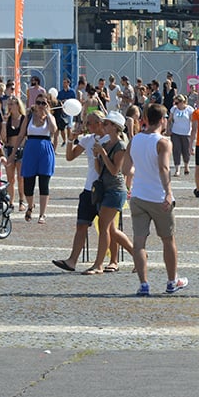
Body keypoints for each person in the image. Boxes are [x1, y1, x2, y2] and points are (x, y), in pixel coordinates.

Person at [122, 103, 189, 297]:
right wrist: (168, 192)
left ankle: (144, 284)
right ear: (162, 120)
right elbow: (163, 169)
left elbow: (126, 169)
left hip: (138, 196)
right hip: (158, 197)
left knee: (139, 242)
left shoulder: (134, 141)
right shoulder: (163, 142)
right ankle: (171, 281)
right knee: (168, 240)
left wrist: (140, 172)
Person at [52, 111, 106, 273]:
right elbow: (70, 157)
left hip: (105, 189)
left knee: (108, 229)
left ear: (99, 123)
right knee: (81, 225)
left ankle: (131, 254)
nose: (86, 126)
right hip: (89, 188)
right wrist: (70, 139)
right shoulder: (88, 140)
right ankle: (72, 261)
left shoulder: (109, 140)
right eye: (85, 123)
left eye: (89, 123)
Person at [82, 111, 135, 275]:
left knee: (104, 226)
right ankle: (139, 255)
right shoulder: (106, 144)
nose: (103, 126)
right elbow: (100, 170)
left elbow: (114, 170)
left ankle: (98, 265)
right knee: (111, 230)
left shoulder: (120, 146)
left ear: (114, 127)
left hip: (115, 190)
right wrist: (97, 156)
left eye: (106, 124)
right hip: (104, 188)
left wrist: (103, 154)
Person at [14, 93, 58, 224]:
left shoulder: (50, 118)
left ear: (48, 105)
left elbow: (54, 130)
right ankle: (30, 205)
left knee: (44, 183)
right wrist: (13, 153)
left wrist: (48, 114)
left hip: (45, 150)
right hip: (30, 149)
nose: (40, 106)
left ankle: (42, 214)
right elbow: (21, 134)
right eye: (38, 102)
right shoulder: (29, 117)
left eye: (43, 103)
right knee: (28, 183)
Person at [1, 96, 26, 209]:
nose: (10, 106)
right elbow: (4, 138)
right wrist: (4, 123)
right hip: (9, 149)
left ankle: (21, 200)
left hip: (22, 149)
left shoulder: (23, 118)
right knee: (10, 178)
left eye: (12, 104)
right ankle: (11, 201)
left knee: (21, 177)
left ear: (18, 105)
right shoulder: (7, 119)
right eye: (9, 104)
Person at [168, 94, 195, 177]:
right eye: (175, 102)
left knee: (186, 151)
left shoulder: (190, 109)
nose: (176, 104)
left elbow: (192, 121)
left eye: (178, 102)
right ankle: (177, 169)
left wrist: (194, 132)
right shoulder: (174, 109)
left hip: (186, 133)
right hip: (176, 132)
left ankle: (186, 165)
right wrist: (168, 129)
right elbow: (169, 120)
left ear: (183, 102)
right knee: (176, 150)